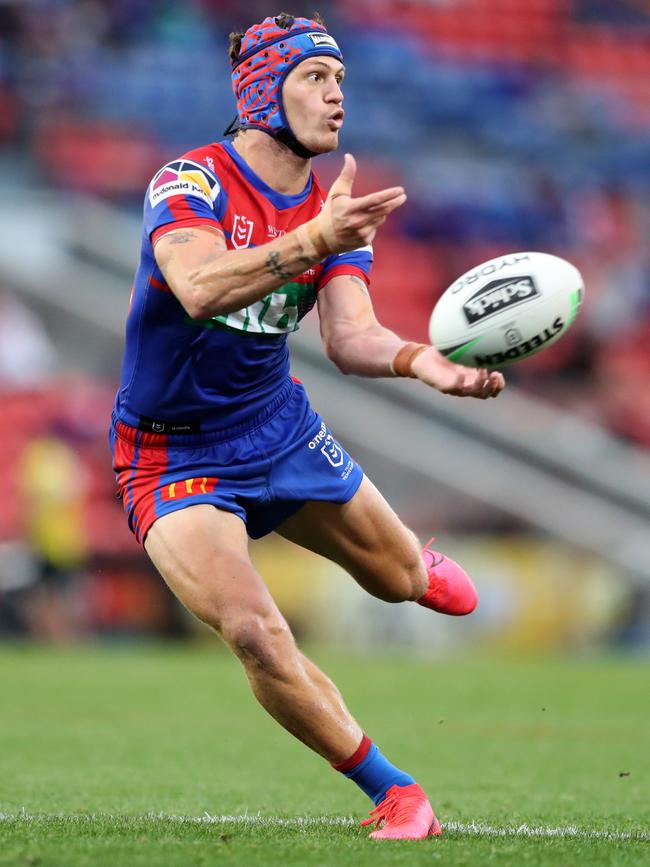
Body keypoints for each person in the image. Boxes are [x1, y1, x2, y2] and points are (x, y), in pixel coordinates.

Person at [110, 12, 505, 841]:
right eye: (317, 80)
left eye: (342, 84)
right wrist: (315, 238)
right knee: (254, 630)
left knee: (402, 581)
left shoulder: (331, 207)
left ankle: (408, 561)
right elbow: (198, 286)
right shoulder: (191, 180)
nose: (336, 98)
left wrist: (424, 362)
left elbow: (351, 336)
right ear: (262, 87)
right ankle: (395, 792)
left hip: (278, 430)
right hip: (169, 456)